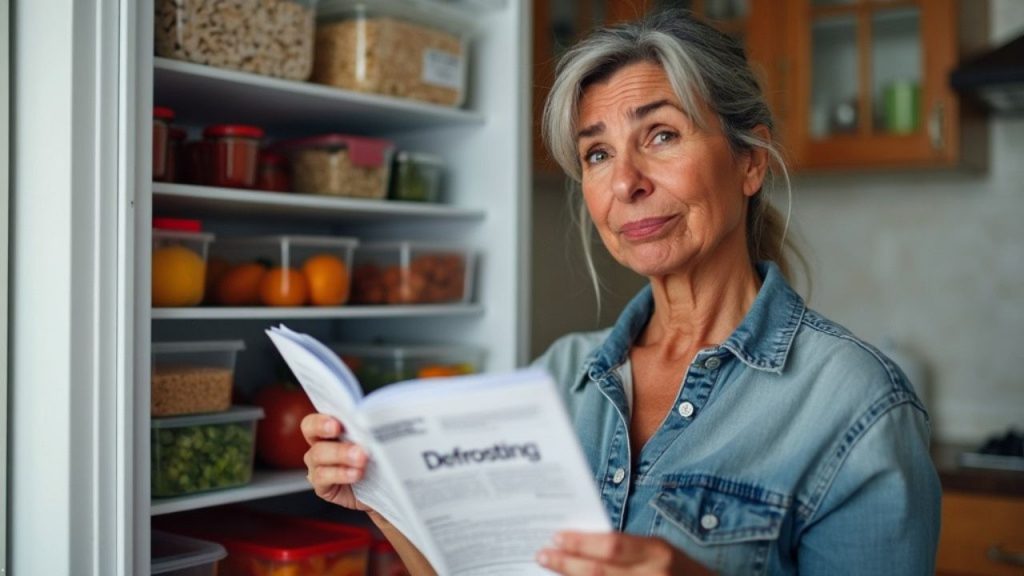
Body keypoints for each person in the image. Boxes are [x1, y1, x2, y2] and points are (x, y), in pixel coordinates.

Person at [301, 9, 941, 575]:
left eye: (661, 135)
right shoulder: (559, 376)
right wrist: (380, 497)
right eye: (597, 154)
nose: (625, 182)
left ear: (750, 163)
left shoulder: (855, 402)